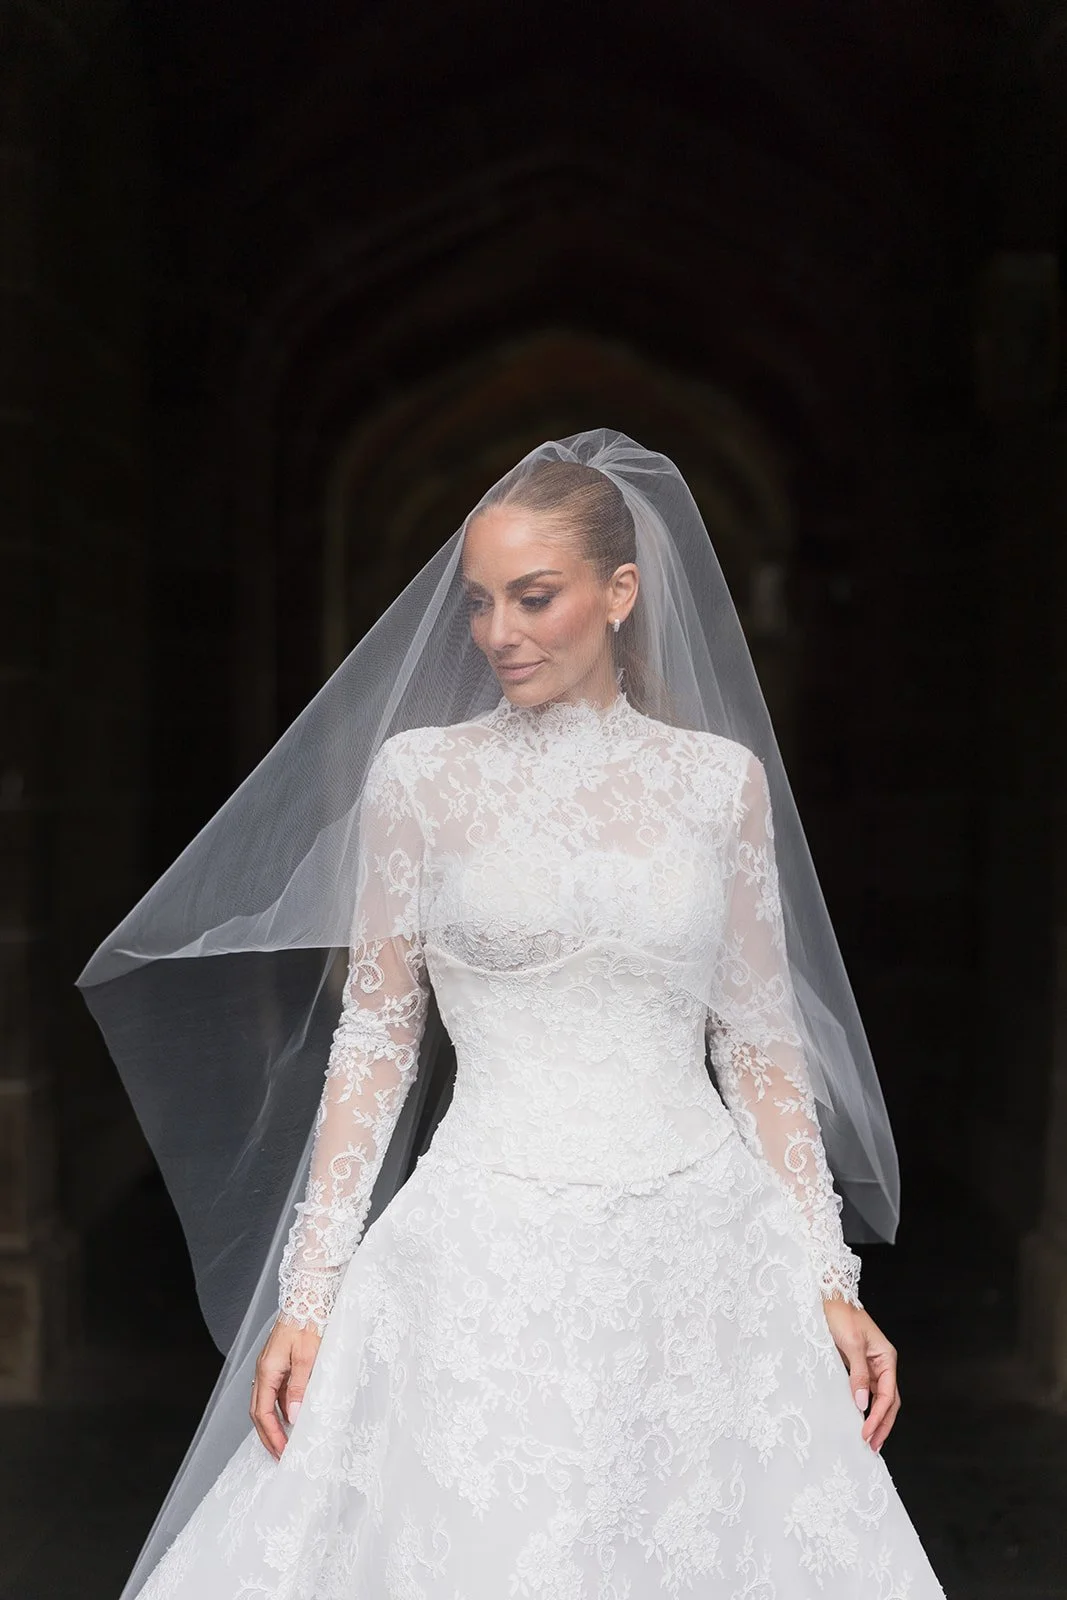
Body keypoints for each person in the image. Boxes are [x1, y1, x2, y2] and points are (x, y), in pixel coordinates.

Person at [78, 431, 946, 1597]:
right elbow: (376, 1042)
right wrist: (310, 1293)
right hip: (479, 1250)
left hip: (700, 1253)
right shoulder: (418, 778)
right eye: (479, 602)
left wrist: (828, 1281)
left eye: (533, 597)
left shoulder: (717, 785)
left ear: (618, 593)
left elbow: (756, 1044)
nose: (498, 632)